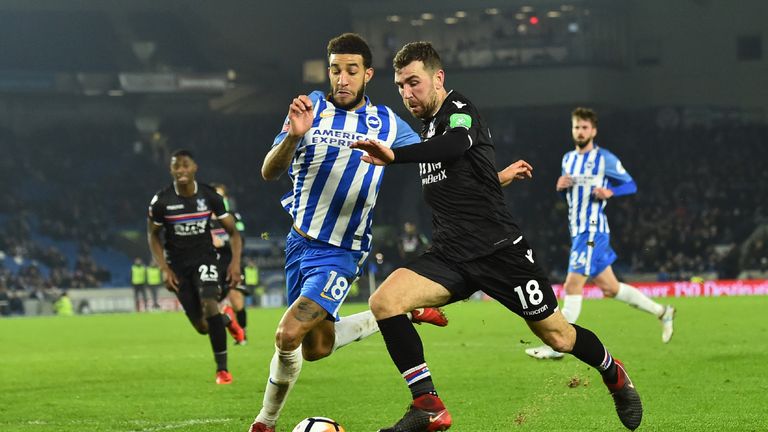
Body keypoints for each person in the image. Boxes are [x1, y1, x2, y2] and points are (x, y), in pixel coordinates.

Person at [351, 42, 643, 431]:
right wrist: (498, 177)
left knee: (558, 336)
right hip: (451, 254)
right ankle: (428, 404)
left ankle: (614, 374)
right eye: (401, 85)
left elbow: (456, 145)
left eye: (414, 83)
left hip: (499, 252)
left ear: (438, 78)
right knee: (384, 301)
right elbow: (464, 175)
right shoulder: (429, 127)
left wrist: (396, 156)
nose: (407, 93)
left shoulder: (459, 111)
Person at [248, 33, 449, 432]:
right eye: (335, 70)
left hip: (341, 252)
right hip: (298, 244)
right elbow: (269, 171)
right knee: (317, 347)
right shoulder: (309, 109)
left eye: (351, 71)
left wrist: (492, 177)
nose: (342, 78)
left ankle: (263, 424)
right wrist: (293, 134)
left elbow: (438, 154)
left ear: (367, 75)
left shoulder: (387, 123)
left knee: (287, 334)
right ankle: (398, 311)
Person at [525, 107, 676, 360]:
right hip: (578, 230)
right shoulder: (567, 159)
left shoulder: (604, 158)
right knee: (611, 287)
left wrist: (611, 192)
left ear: (593, 130)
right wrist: (560, 188)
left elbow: (630, 184)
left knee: (572, 284)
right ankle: (663, 312)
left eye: (584, 127)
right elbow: (570, 195)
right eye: (576, 127)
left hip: (593, 230)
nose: (580, 131)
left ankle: (557, 345)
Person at [147, 149, 244, 385]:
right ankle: (227, 320)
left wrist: (234, 264)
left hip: (206, 259)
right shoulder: (162, 201)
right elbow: (153, 236)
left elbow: (233, 232)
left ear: (194, 168)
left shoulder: (210, 197)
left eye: (185, 165)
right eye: (176, 166)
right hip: (179, 267)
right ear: (171, 170)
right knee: (203, 326)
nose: (181, 170)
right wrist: (164, 269)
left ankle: (222, 370)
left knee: (210, 304)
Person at [210, 182, 248, 344]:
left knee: (236, 299)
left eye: (220, 196)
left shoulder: (233, 216)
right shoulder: (203, 219)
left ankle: (242, 335)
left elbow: (242, 238)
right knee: (212, 303)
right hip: (213, 265)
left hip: (232, 263)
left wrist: (223, 244)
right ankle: (228, 321)